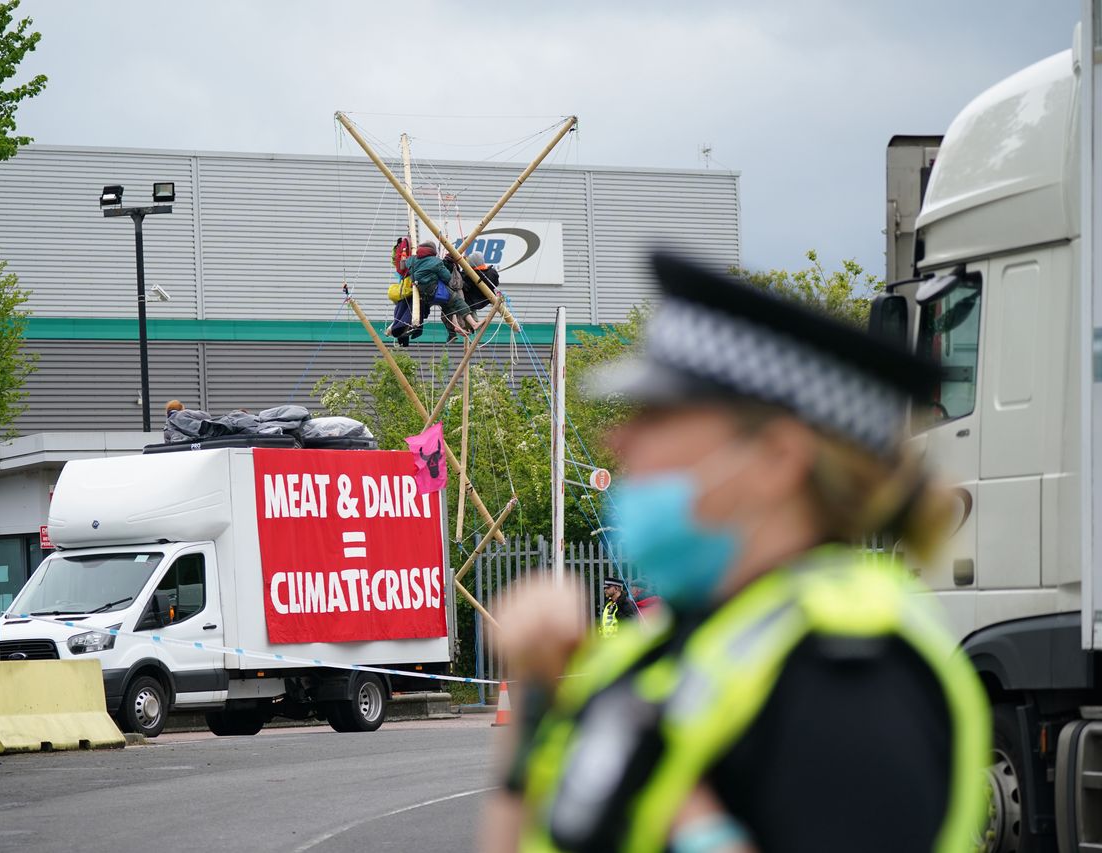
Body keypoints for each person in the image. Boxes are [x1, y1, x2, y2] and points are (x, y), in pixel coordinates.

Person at [480, 253, 990, 853]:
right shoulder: (667, 644)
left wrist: (695, 829)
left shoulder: (848, 672)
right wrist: (537, 695)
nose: (619, 439)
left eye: (660, 415)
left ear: (776, 458)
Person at [402, 241, 479, 340]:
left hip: (421, 294)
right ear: (433, 251)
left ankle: (455, 327)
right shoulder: (436, 261)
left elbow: (403, 266)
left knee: (448, 306)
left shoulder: (411, 260)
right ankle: (473, 323)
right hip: (434, 291)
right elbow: (447, 278)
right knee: (457, 300)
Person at [464, 250, 500, 314]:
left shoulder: (471, 275)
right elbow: (496, 284)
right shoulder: (492, 272)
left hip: (472, 302)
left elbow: (465, 285)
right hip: (487, 298)